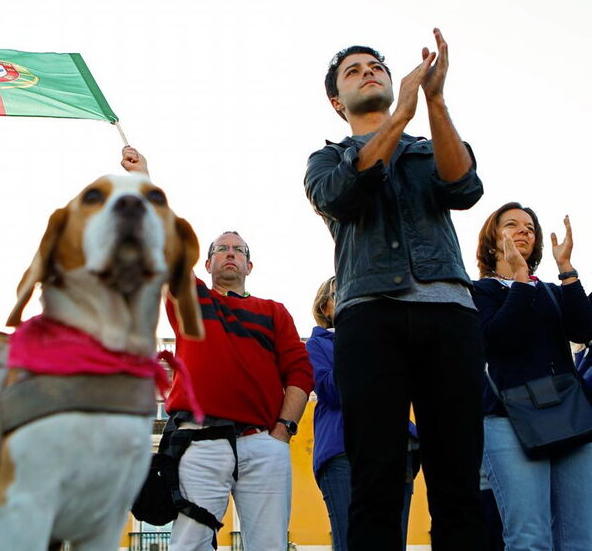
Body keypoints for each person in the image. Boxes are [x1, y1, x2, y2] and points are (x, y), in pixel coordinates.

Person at [304, 29, 486, 551]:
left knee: (458, 478)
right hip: (369, 318)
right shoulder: (326, 161)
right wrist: (401, 115)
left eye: (376, 66)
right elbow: (343, 196)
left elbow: (465, 187)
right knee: (376, 478)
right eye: (354, 71)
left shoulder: (429, 148)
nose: (370, 72)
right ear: (338, 101)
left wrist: (434, 101)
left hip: (449, 312)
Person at [122, 147, 313, 551]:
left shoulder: (274, 312)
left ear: (249, 266)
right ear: (207, 264)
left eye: (239, 250)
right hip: (199, 439)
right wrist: (145, 180)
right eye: (222, 249)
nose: (230, 253)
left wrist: (283, 432)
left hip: (264, 442)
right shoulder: (191, 299)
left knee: (269, 544)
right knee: (189, 543)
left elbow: (300, 373)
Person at [473, 203, 592, 551]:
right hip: (508, 421)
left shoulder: (552, 291)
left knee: (581, 540)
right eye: (512, 225)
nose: (525, 231)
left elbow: (584, 328)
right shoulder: (480, 292)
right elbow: (499, 339)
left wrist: (567, 269)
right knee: (530, 539)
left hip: (569, 417)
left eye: (530, 227)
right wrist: (520, 280)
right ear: (492, 242)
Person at [305, 276, 417, 551]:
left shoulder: (389, 339)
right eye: (338, 293)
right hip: (343, 451)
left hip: (396, 448)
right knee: (351, 542)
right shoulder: (318, 345)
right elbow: (332, 391)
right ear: (326, 308)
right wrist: (354, 337)